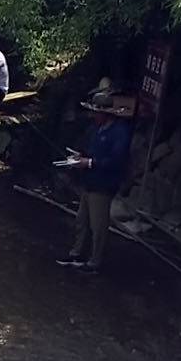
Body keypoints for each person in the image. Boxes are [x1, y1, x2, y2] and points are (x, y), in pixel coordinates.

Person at [57, 88, 134, 273]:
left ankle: (94, 262)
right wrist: (79, 157)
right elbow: (88, 150)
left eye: (96, 112)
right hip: (89, 182)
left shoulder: (119, 132)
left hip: (103, 185)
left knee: (98, 225)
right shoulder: (95, 129)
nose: (92, 115)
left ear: (105, 114)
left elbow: (116, 160)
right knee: (81, 220)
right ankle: (76, 254)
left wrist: (90, 162)